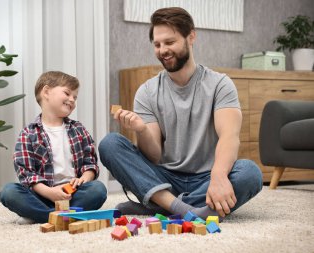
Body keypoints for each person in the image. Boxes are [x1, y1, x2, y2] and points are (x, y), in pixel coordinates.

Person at [99, 7, 262, 220]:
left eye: (169, 42)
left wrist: (219, 176)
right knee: (110, 144)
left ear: (191, 36)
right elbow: (154, 155)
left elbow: (229, 137)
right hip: (165, 177)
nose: (162, 50)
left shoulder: (220, 85)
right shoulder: (147, 91)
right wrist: (141, 131)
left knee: (250, 173)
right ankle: (188, 209)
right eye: (157, 45)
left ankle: (161, 206)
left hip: (207, 177)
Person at [0, 71, 107, 224]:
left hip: (72, 194)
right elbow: (26, 173)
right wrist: (49, 193)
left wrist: (84, 179)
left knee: (98, 190)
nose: (72, 100)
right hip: (42, 194)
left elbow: (90, 163)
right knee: (9, 192)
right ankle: (59, 216)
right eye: (67, 93)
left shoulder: (78, 129)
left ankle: (42, 216)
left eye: (75, 97)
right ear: (46, 92)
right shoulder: (28, 133)